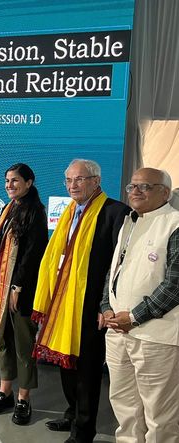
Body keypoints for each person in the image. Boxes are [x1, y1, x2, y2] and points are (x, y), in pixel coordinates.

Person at [32, 159, 130, 443]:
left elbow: (119, 266)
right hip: (63, 303)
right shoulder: (69, 212)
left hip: (92, 306)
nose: (72, 185)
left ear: (96, 181)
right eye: (68, 180)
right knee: (67, 363)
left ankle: (84, 430)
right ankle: (72, 413)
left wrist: (105, 305)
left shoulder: (115, 212)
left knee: (87, 369)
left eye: (79, 179)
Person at [101, 168, 179, 443]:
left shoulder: (174, 224)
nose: (135, 191)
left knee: (160, 415)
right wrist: (106, 306)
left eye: (144, 186)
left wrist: (134, 317)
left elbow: (175, 285)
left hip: (156, 337)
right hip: (117, 332)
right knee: (124, 407)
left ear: (164, 192)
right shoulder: (129, 221)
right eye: (131, 186)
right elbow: (114, 270)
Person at [0, 164, 48, 425]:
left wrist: (17, 287)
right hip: (1, 287)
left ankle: (23, 399)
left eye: (15, 181)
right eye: (7, 181)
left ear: (29, 183)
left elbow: (33, 254)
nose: (9, 185)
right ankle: (5, 392)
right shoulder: (9, 209)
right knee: (3, 340)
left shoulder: (35, 211)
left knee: (23, 345)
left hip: (21, 290)